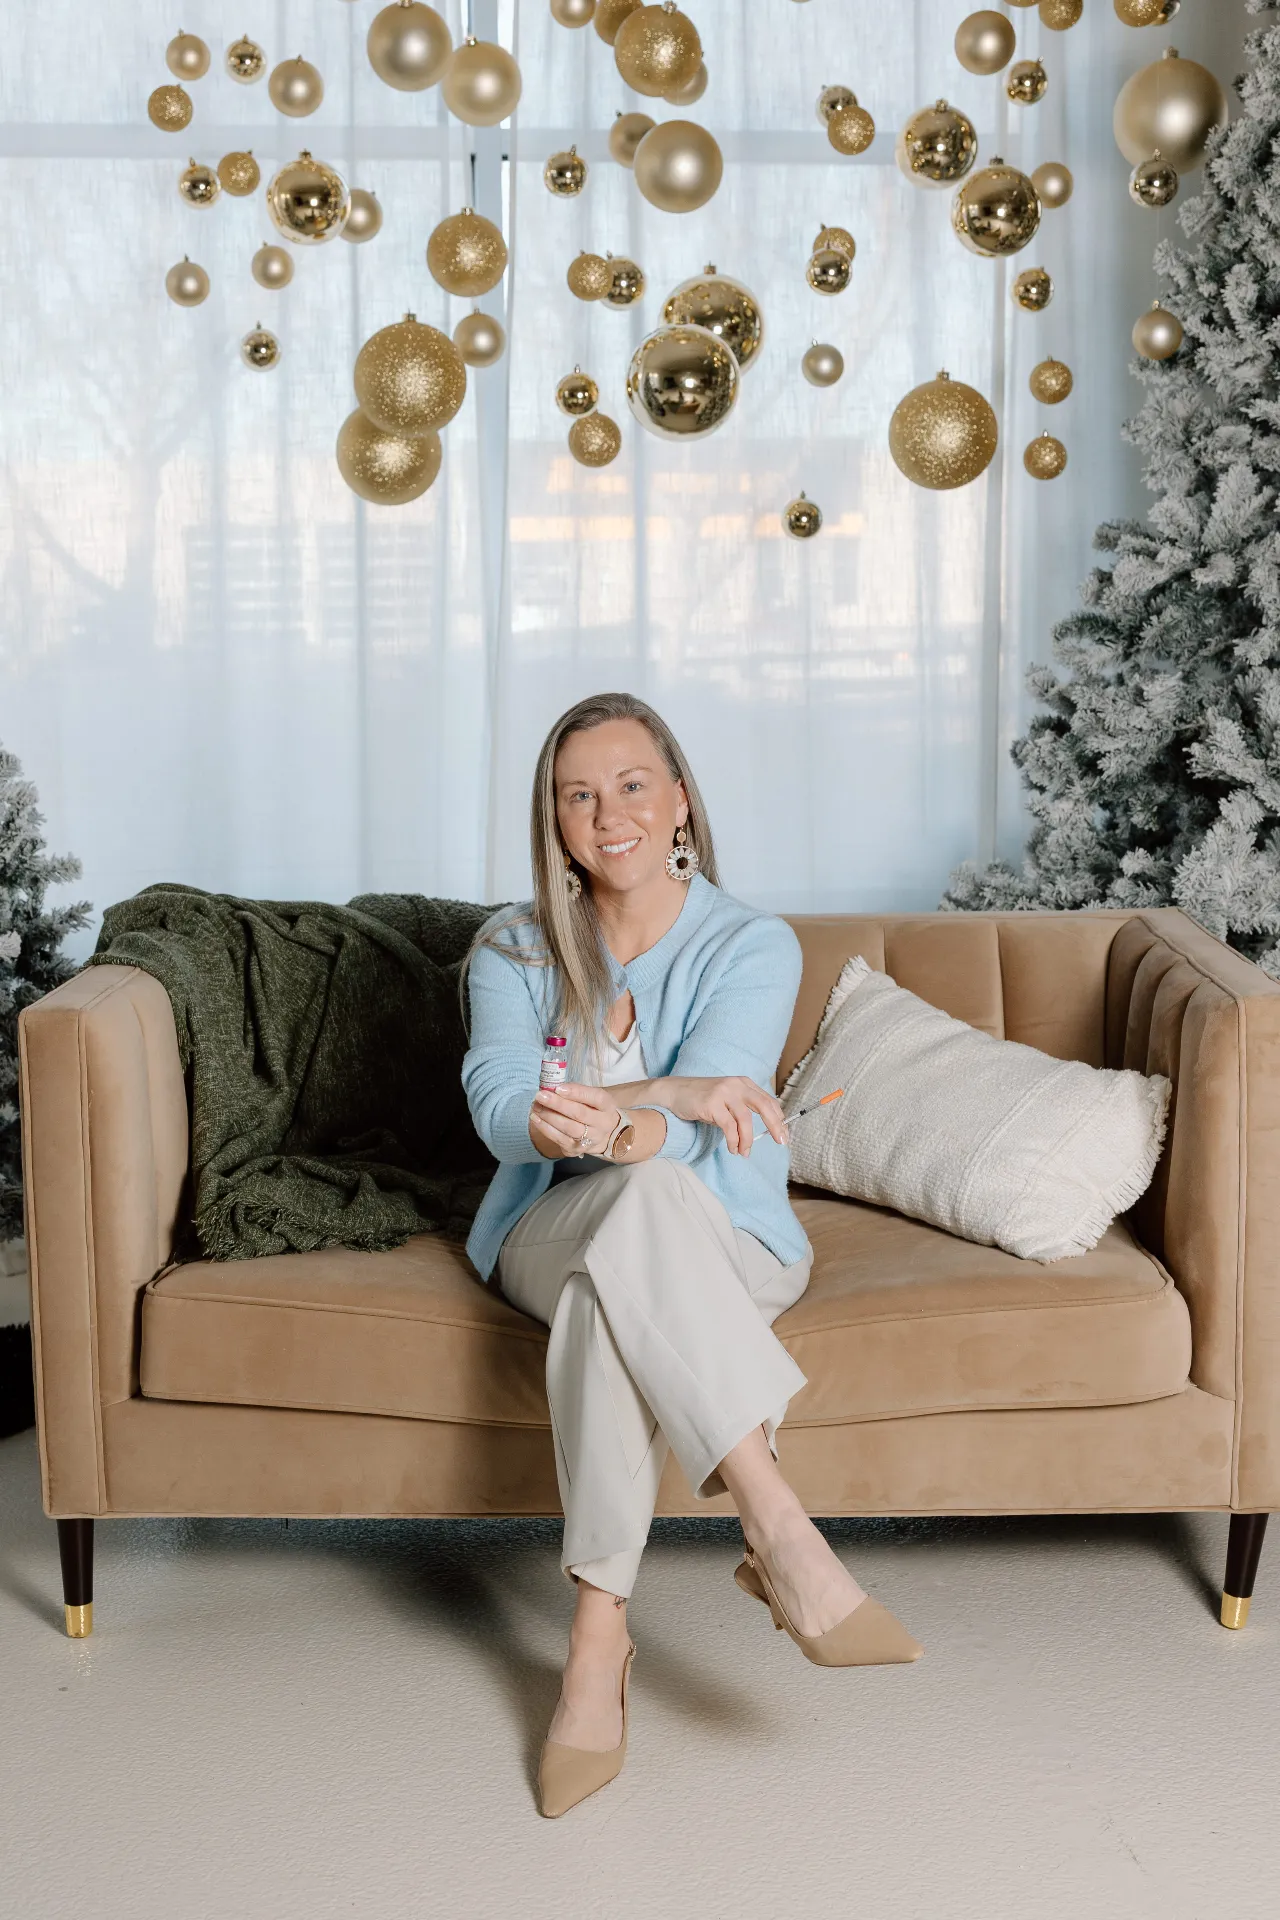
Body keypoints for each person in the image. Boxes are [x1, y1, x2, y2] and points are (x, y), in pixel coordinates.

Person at [462, 691, 921, 1818]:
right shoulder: (510, 948)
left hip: (729, 1237)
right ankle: (774, 1526)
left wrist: (615, 1116)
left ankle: (593, 1641)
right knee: (623, 1214)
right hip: (544, 1226)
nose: (605, 812)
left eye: (629, 785)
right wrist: (657, 1093)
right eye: (577, 794)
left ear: (678, 803)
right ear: (553, 821)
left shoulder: (750, 943)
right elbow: (499, 1105)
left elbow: (695, 1138)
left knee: (633, 1235)